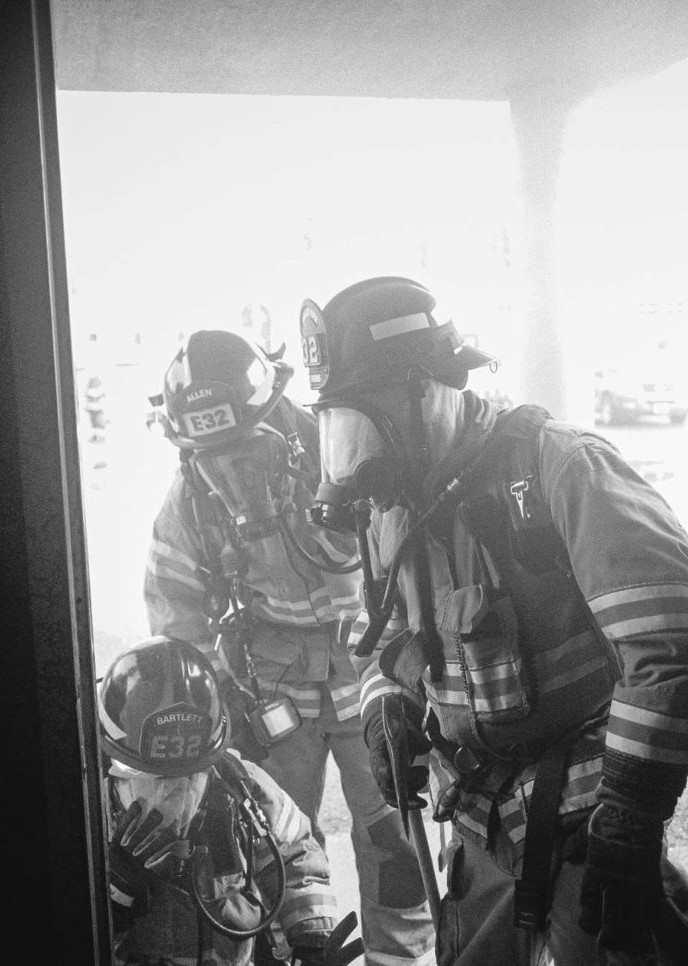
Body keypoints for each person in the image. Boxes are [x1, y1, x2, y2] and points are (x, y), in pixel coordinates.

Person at [298, 275, 688, 966]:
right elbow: (386, 636)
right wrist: (387, 705)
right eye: (338, 428)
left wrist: (630, 812)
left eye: (363, 422)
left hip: (590, 822)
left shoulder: (563, 470)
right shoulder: (395, 512)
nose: (355, 459)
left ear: (427, 389)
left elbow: (669, 649)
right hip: (479, 826)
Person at [143, 329, 436, 966]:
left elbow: (411, 558)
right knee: (271, 841)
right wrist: (205, 709)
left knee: (395, 838)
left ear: (274, 411)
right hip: (271, 691)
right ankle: (295, 955)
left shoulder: (345, 456)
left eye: (242, 445)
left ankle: (400, 960)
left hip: (370, 674)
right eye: (209, 452)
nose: (228, 466)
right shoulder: (189, 501)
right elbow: (175, 613)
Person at [98, 634, 364, 966]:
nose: (174, 797)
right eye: (158, 780)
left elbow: (297, 858)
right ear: (118, 768)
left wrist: (311, 937)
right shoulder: (88, 814)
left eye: (191, 777)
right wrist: (115, 891)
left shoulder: (244, 790)